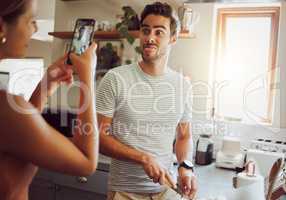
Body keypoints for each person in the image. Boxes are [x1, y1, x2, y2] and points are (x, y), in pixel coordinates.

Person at [97, 2, 197, 200]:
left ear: (173, 38)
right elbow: (99, 138)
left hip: (165, 191)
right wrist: (142, 158)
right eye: (146, 30)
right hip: (124, 192)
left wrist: (185, 167)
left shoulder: (183, 86)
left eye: (159, 32)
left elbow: (184, 136)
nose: (150, 38)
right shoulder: (115, 78)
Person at [0, 0, 98, 199]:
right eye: (31, 20)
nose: (35, 29)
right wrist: (87, 75)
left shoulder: (10, 112)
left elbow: (21, 134)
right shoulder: (6, 107)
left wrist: (45, 86)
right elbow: (87, 162)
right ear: (1, 27)